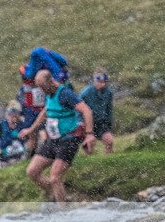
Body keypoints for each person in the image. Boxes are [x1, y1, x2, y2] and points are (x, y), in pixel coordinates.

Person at [18, 69, 96, 205]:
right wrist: (31, 129)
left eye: (43, 87)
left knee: (55, 177)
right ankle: (60, 195)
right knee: (32, 171)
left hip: (69, 140)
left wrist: (89, 134)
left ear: (51, 81)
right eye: (39, 87)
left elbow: (86, 110)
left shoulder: (65, 94)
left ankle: (62, 211)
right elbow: (45, 112)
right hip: (53, 140)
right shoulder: (48, 93)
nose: (41, 90)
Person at [80, 68, 114, 154]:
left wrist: (109, 123)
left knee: (109, 141)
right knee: (89, 145)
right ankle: (89, 158)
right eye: (100, 82)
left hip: (101, 122)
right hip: (87, 122)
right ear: (95, 81)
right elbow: (78, 110)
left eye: (105, 82)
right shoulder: (85, 93)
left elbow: (109, 109)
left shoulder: (108, 92)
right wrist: (80, 123)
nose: (103, 84)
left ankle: (109, 158)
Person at [16, 65, 47, 156]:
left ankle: (37, 153)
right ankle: (34, 153)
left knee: (37, 133)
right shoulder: (36, 86)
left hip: (33, 112)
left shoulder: (27, 87)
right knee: (35, 133)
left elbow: (20, 102)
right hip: (33, 112)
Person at [0, 101, 27, 167]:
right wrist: (1, 155)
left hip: (21, 156)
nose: (15, 116)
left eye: (17, 113)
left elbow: (29, 139)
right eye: (12, 113)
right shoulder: (2, 125)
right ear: (8, 113)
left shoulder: (22, 124)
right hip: (6, 158)